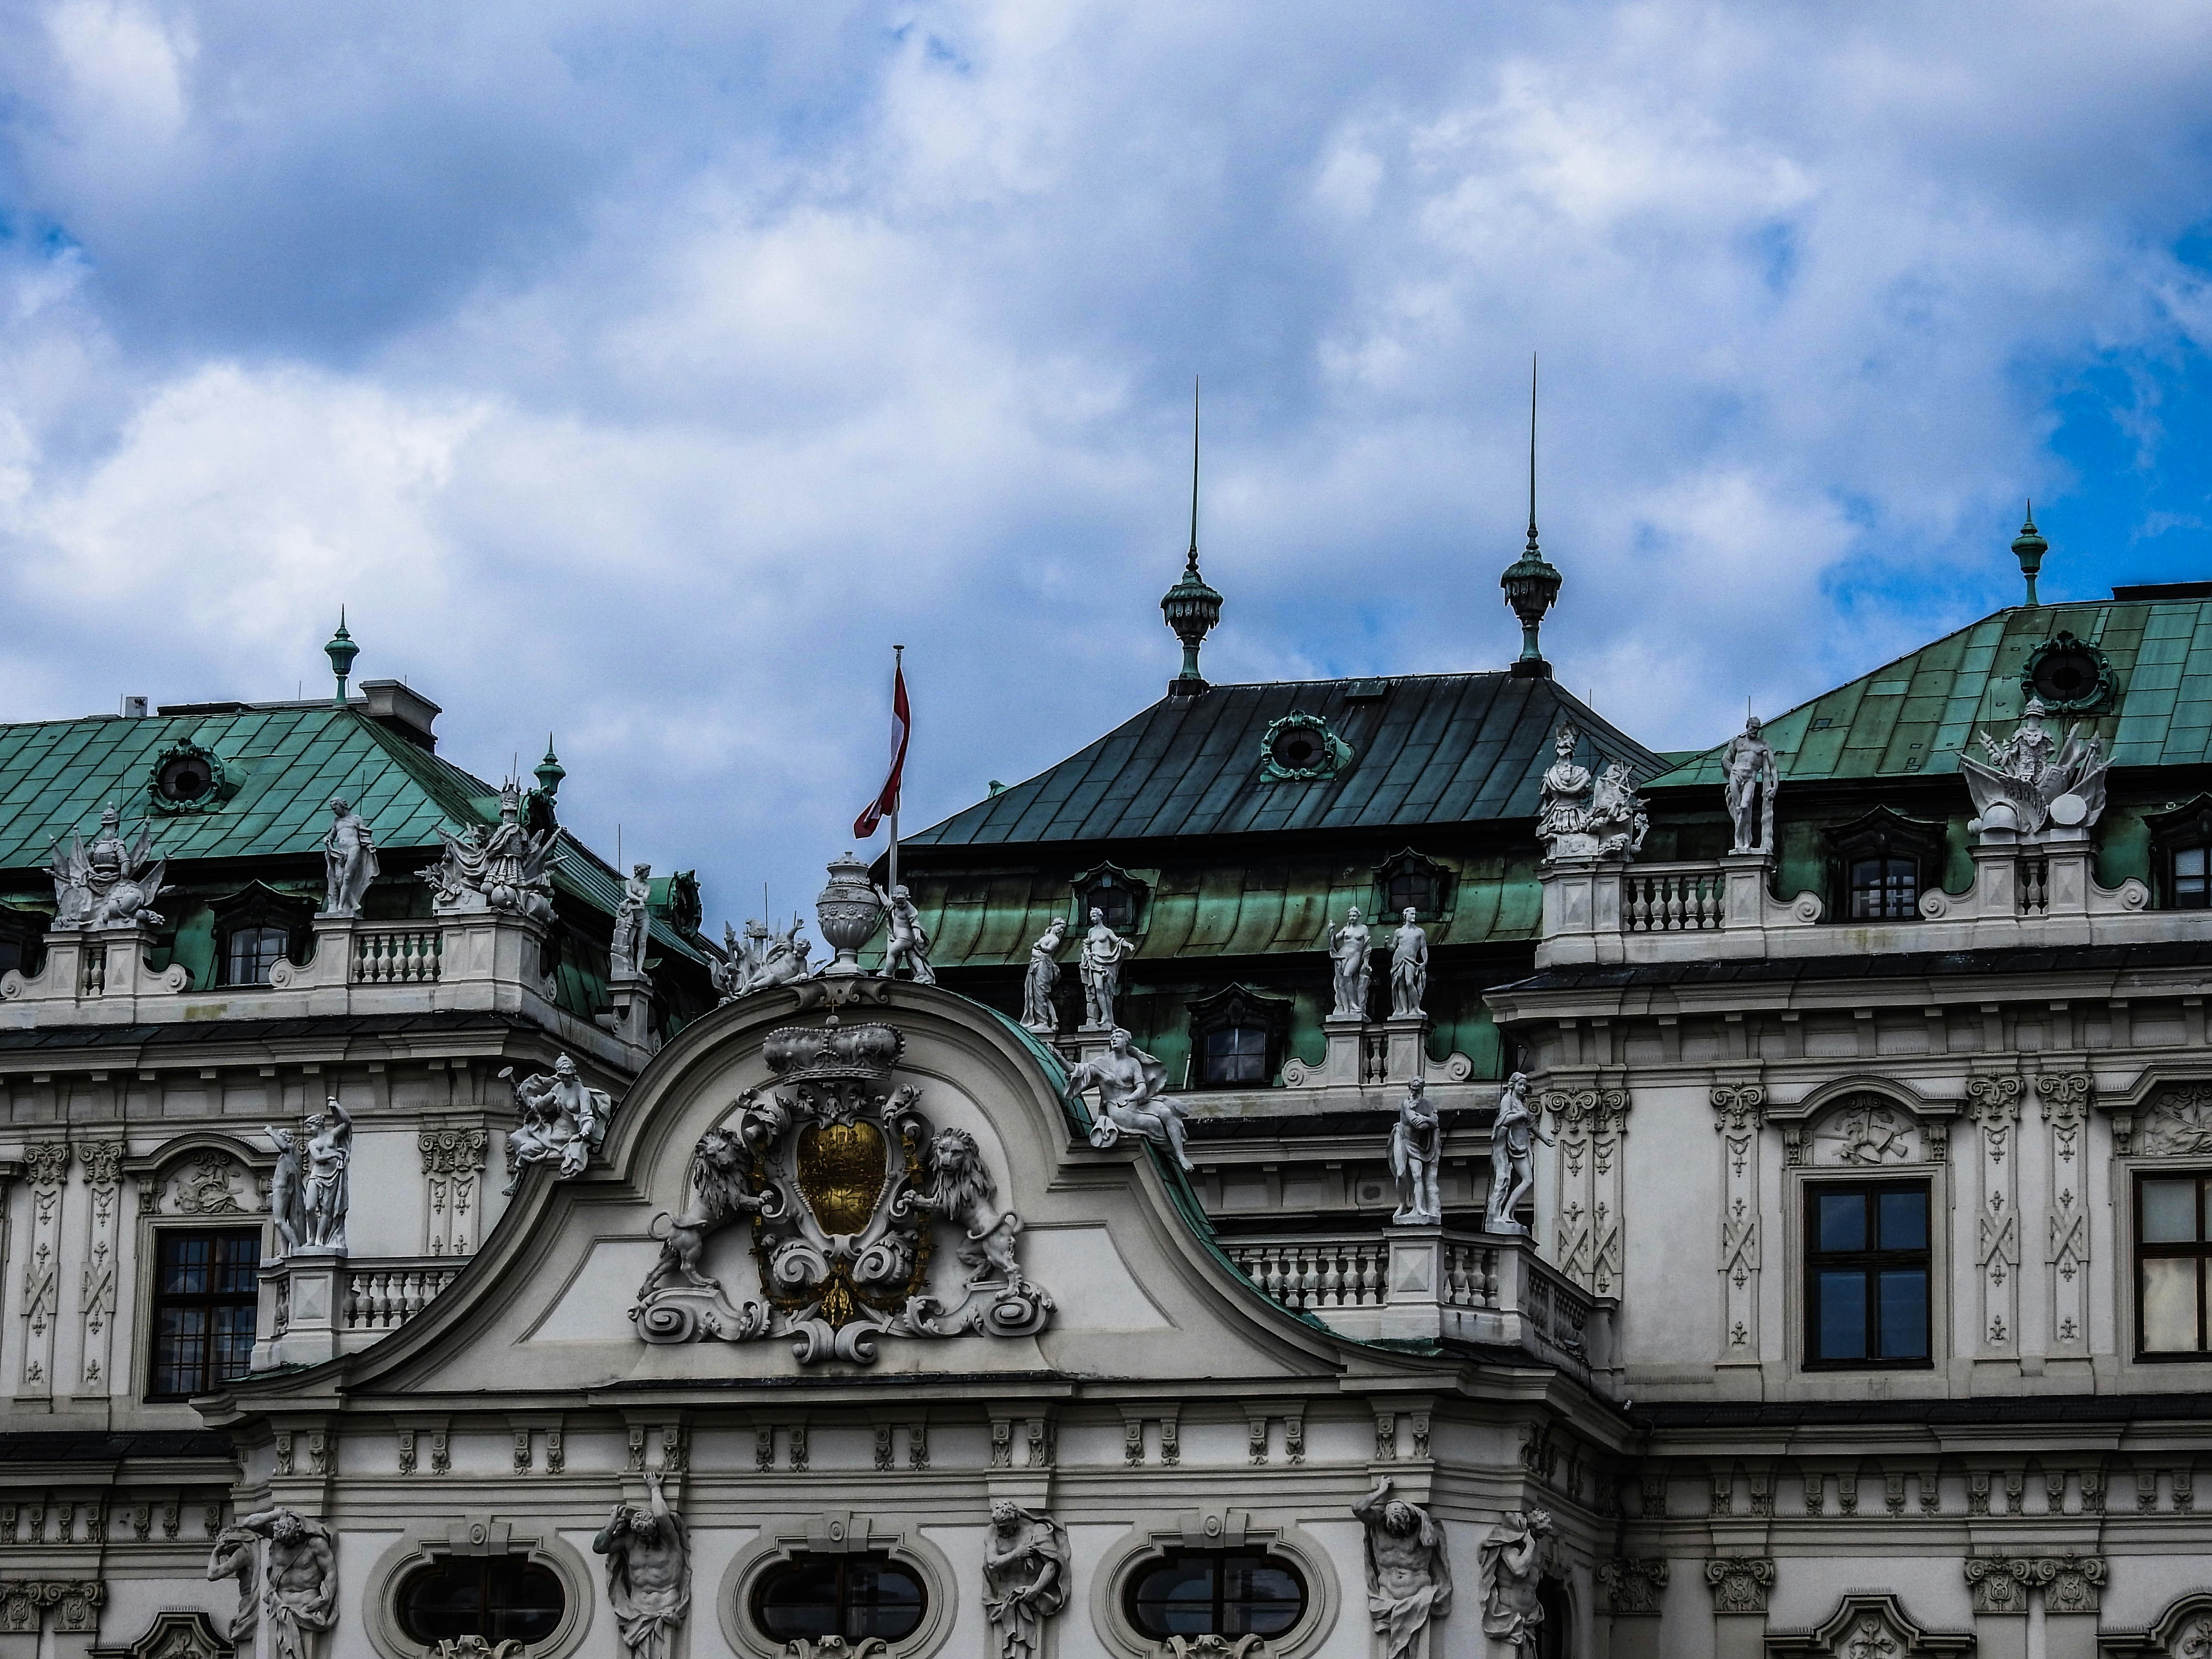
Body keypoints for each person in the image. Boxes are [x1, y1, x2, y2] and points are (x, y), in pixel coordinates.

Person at [593, 1470, 689, 1659]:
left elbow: (662, 1516)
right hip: (635, 1612)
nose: (648, 1539)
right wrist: (613, 1520)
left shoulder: (670, 1543)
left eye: (651, 1534)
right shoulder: (630, 1543)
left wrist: (655, 1489)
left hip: (665, 1609)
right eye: (643, 1536)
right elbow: (599, 1547)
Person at [1065, 1028, 1190, 1171]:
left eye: (1118, 1036)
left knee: (1167, 1113)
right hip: (1117, 1109)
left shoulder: (1133, 1063)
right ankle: (1174, 1155)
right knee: (1155, 1124)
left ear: (1127, 1042)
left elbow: (1142, 1088)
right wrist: (1059, 1058)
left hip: (1135, 1103)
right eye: (1112, 1037)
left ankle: (1181, 1155)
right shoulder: (1101, 1063)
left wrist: (1131, 1098)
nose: (1114, 1039)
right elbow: (1075, 1071)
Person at [1356, 1477, 1451, 1659]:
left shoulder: (1420, 1526)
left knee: (1416, 1649)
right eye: (1393, 1530)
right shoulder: (1378, 1522)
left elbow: (1430, 1542)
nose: (1397, 1534)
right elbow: (1358, 1509)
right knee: (1390, 1649)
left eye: (1402, 1530)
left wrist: (1423, 1516)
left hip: (1419, 1592)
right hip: (1386, 1593)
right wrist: (1381, 1491)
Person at [238, 1508, 336, 1659]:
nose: (286, 1546)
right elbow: (248, 1523)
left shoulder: (316, 1544)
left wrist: (324, 1607)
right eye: (282, 1542)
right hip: (279, 1608)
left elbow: (331, 1573)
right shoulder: (278, 1537)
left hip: (307, 1609)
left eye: (290, 1542)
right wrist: (277, 1514)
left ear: (298, 1532)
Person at [982, 1501, 1070, 1659]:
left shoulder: (1036, 1531)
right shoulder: (992, 1532)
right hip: (1002, 1599)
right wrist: (1017, 1554)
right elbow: (992, 1563)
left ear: (1015, 1520)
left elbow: (1053, 1564)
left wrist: (1036, 1589)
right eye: (998, 1526)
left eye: (1004, 1527)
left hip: (1031, 1596)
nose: (1001, 1531)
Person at [1477, 1509, 1554, 1659]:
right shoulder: (1509, 1546)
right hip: (1508, 1620)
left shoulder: (1536, 1553)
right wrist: (1530, 1545)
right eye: (1538, 1533)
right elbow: (1519, 1570)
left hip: (1527, 1624)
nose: (1539, 1537)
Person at [1485, 1072, 1554, 1236]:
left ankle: (1509, 1214)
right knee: (1527, 1180)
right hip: (1515, 1145)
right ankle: (1504, 1213)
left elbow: (1531, 1126)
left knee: (1517, 1182)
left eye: (1524, 1085)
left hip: (1524, 1143)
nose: (1523, 1088)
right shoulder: (1507, 1100)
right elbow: (1503, 1120)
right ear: (1513, 1085)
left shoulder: (1521, 1102)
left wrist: (1544, 1139)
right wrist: (1520, 1115)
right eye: (1520, 1085)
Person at [1720, 715, 1778, 855]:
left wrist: (1775, 786)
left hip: (1750, 778)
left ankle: (1742, 838)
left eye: (1757, 729)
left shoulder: (1763, 745)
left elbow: (1773, 767)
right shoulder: (1737, 743)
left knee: (1745, 807)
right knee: (1738, 809)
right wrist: (1732, 769)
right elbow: (1725, 759)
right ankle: (1741, 841)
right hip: (1736, 776)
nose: (1755, 731)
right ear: (1747, 727)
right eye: (1753, 728)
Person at [300, 1099, 352, 1251]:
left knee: (327, 1210)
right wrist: (335, 1154)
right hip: (317, 1175)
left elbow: (347, 1122)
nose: (309, 1130)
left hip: (333, 1175)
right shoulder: (312, 1143)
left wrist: (336, 1106)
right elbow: (317, 1159)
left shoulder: (332, 1136)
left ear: (318, 1124)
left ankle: (318, 1240)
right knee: (309, 1208)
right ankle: (312, 1237)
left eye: (310, 1126)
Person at [1390, 1080, 1442, 1225]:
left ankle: (1418, 1207)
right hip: (1402, 1139)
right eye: (1412, 1089)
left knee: (1418, 1175)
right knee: (1401, 1174)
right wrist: (1427, 1121)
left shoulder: (1427, 1104)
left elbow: (1435, 1122)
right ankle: (1403, 1204)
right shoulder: (1406, 1103)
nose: (1414, 1093)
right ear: (1409, 1089)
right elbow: (1415, 1122)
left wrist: (1426, 1119)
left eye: (1417, 1090)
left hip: (1416, 1145)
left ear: (1422, 1090)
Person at [319, 797, 378, 916]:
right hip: (341, 851)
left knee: (347, 877)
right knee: (339, 879)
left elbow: (364, 834)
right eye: (333, 810)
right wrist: (327, 840)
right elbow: (332, 836)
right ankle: (354, 904)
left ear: (342, 806)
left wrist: (370, 846)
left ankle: (341, 906)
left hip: (354, 848)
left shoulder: (355, 819)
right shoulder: (336, 822)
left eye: (336, 808)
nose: (335, 812)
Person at [1076, 907, 1133, 1029]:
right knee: (1098, 989)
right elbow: (1086, 946)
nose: (1093, 919)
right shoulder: (1091, 931)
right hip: (1095, 961)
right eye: (1091, 917)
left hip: (1107, 961)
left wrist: (1128, 945)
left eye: (1094, 916)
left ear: (1100, 916)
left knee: (1108, 991)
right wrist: (1087, 953)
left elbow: (1118, 941)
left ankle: (1109, 1018)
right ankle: (1105, 1016)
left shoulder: (1107, 931)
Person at [873, 882, 936, 983]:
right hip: (904, 939)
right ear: (894, 900)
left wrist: (918, 934)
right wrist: (880, 891)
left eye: (902, 902)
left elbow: (915, 923)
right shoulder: (895, 906)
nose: (900, 905)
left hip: (905, 938)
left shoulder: (909, 909)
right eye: (898, 902)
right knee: (913, 957)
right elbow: (886, 903)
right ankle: (922, 974)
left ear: (907, 898)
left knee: (892, 954)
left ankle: (888, 973)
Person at [1021, 918, 1067, 1033]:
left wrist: (1039, 948)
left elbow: (1048, 949)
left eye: (1063, 929)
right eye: (1060, 927)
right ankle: (1052, 1021)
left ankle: (1042, 1022)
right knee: (1038, 995)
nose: (1061, 930)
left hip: (1044, 965)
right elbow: (1033, 952)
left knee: (1041, 994)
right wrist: (1037, 950)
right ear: (1055, 925)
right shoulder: (1047, 936)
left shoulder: (1055, 940)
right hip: (1037, 965)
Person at [264, 1124, 304, 1257]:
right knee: (283, 1221)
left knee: (279, 1221)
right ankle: (284, 1252)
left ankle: (297, 1247)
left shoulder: (290, 1149)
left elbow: (284, 1147)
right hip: (281, 1188)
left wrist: (271, 1133)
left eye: (280, 1136)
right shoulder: (289, 1154)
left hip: (282, 1188)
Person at [1329, 906, 1372, 1020]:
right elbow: (1334, 940)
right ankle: (1346, 1009)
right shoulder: (1345, 929)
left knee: (1347, 976)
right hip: (1342, 955)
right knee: (1341, 983)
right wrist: (1331, 931)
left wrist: (1366, 962)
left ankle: (1353, 1003)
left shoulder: (1363, 929)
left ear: (1358, 916)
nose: (1352, 918)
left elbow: (1367, 946)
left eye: (1354, 916)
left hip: (1355, 955)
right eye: (1350, 916)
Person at [1389, 906, 1428, 1018]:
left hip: (1411, 959)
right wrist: (1386, 945)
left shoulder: (1420, 932)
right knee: (1400, 984)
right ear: (1405, 916)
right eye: (1412, 914)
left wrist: (1425, 961)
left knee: (1409, 982)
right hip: (1399, 958)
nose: (1414, 916)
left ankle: (1416, 1008)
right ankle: (1404, 1009)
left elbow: (1423, 948)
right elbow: (1393, 947)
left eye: (1415, 914)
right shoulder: (1399, 932)